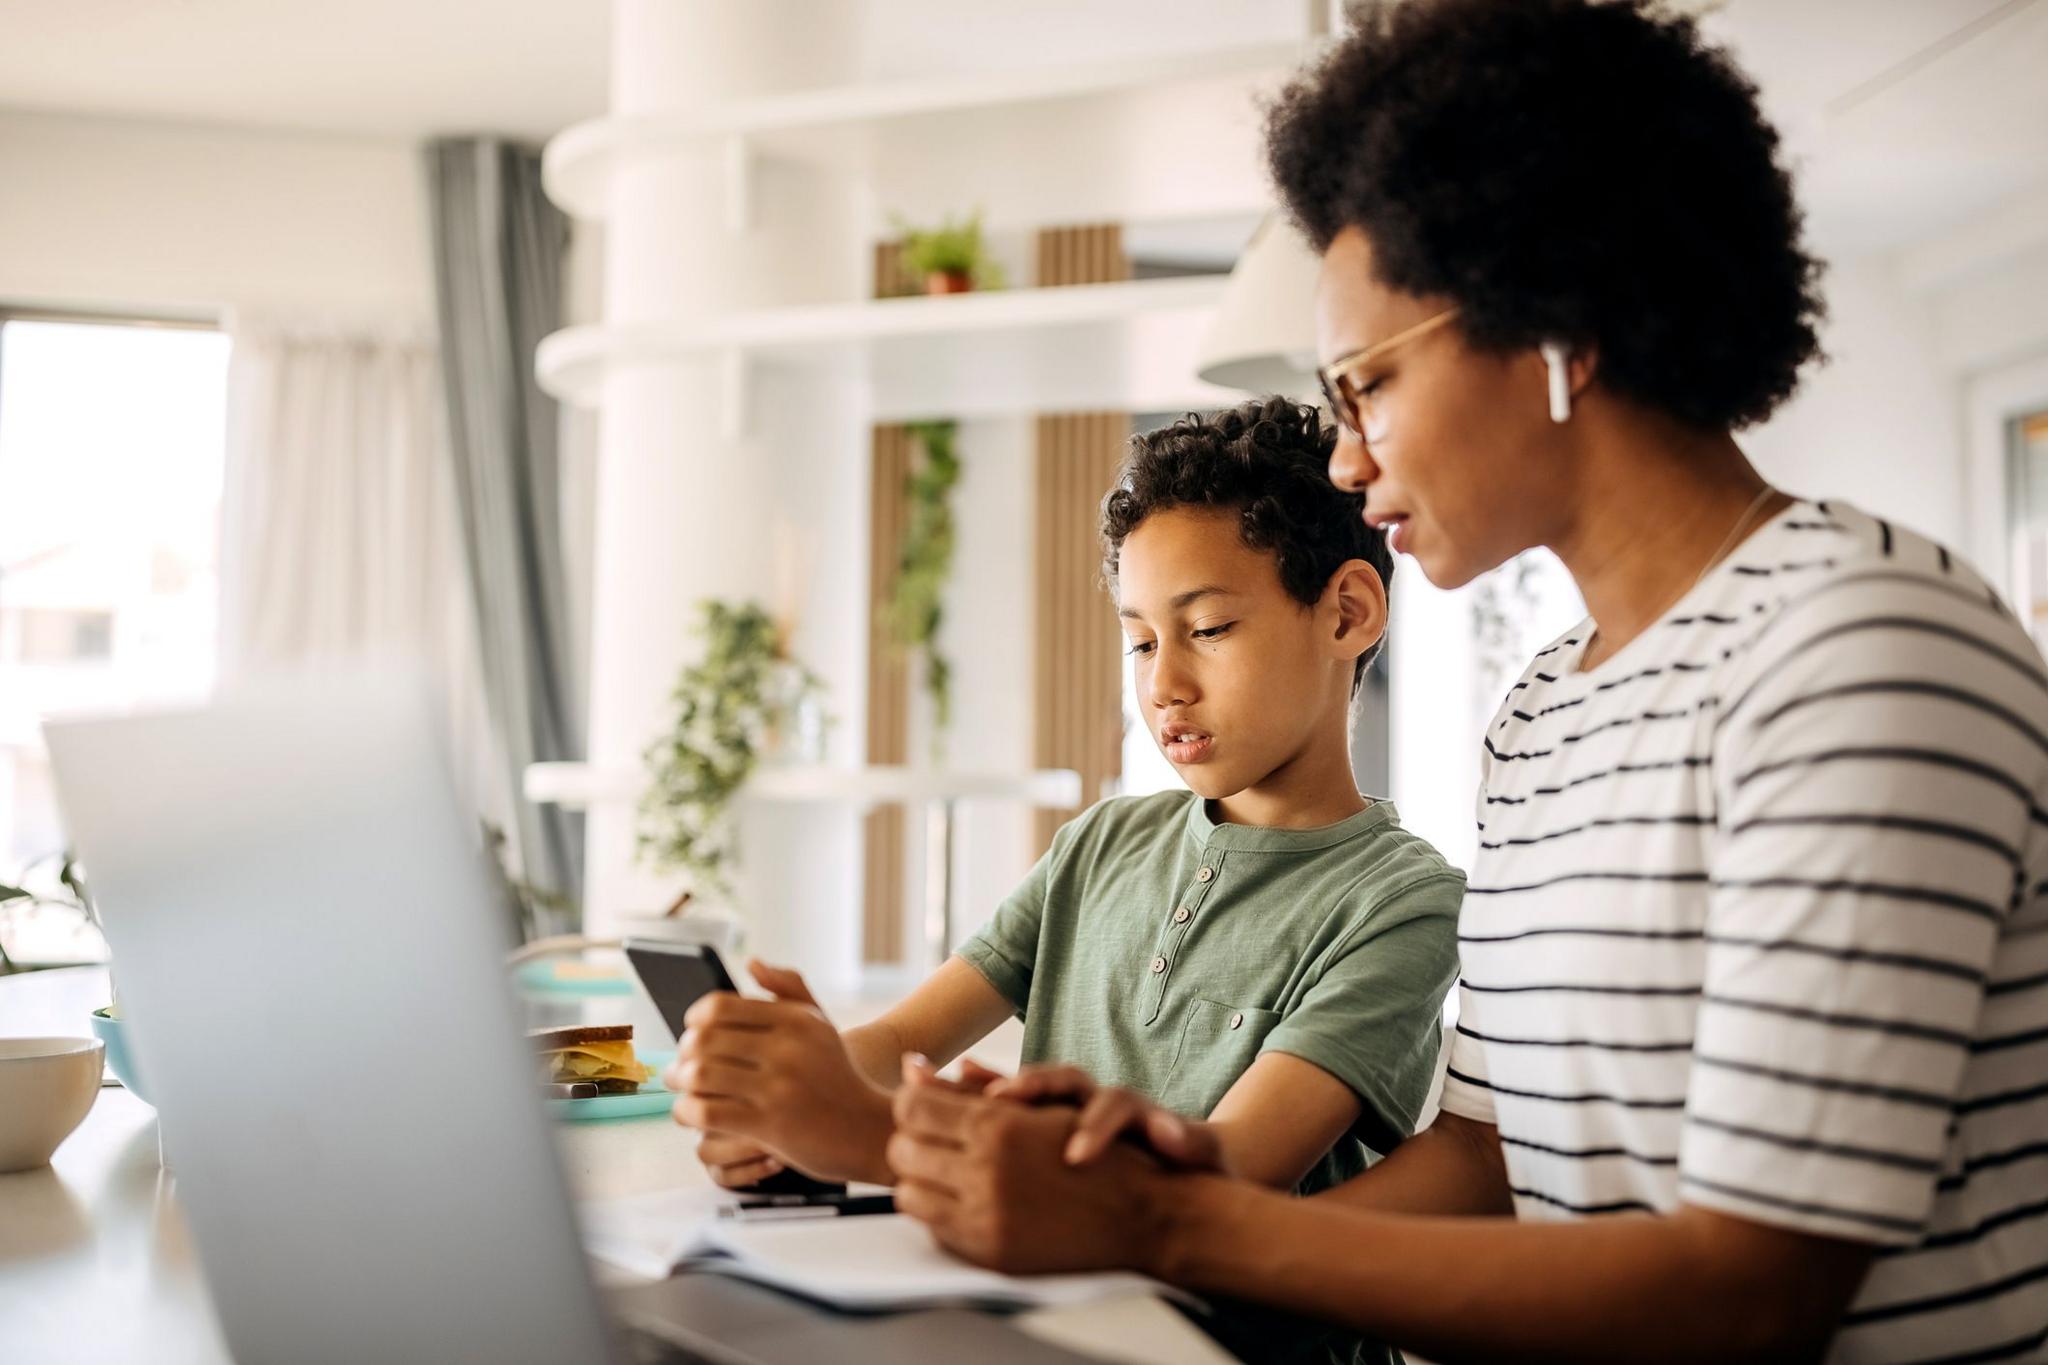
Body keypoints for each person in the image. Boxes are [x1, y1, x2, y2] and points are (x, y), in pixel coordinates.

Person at [886, 3, 2048, 1361]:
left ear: (1559, 323)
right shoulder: (1546, 711)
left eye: (1366, 382)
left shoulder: (1858, 653)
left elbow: (1754, 1290)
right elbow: (1490, 1159)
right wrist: (1167, 1211)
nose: (1344, 458)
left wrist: (1171, 1231)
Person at [668, 397, 1464, 1361]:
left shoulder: (1402, 899)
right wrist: (787, 1092)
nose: (1163, 682)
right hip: (1031, 1316)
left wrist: (857, 1129)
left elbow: (1228, 1173)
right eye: (1138, 640)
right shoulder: (1100, 843)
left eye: (1207, 627)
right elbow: (900, 1043)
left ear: (1347, 611)